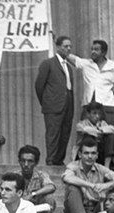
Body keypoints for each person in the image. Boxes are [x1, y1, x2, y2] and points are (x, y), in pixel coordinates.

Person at [67, 39, 114, 126]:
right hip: (89, 105)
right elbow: (68, 56)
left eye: (96, 49)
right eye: (92, 49)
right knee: (86, 133)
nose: (92, 52)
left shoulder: (113, 65)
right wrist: (57, 43)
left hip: (107, 105)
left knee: (109, 133)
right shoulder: (86, 63)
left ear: (103, 52)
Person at [35, 35, 74, 165]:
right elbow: (39, 85)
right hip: (53, 105)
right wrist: (46, 102)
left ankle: (59, 159)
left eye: (70, 47)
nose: (68, 49)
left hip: (67, 104)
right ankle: (51, 160)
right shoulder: (48, 64)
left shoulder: (68, 66)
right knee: (53, 133)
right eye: (65, 46)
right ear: (57, 47)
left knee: (65, 133)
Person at [76, 101, 114, 168]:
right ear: (88, 114)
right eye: (94, 113)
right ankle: (90, 167)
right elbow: (83, 129)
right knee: (89, 137)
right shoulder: (82, 123)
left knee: (111, 136)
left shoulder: (102, 123)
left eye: (99, 114)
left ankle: (106, 167)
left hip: (100, 153)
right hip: (86, 155)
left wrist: (100, 129)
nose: (97, 116)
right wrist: (97, 131)